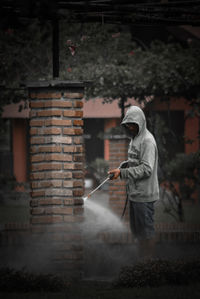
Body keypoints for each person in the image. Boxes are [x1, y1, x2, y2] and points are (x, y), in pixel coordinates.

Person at [108, 105, 159, 259]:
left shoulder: (147, 141)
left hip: (144, 195)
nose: (130, 127)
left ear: (140, 123)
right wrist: (125, 164)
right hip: (135, 195)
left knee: (146, 233)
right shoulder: (135, 139)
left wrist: (122, 173)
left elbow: (146, 169)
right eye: (128, 124)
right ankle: (142, 262)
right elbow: (137, 161)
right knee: (138, 233)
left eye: (132, 124)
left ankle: (148, 265)